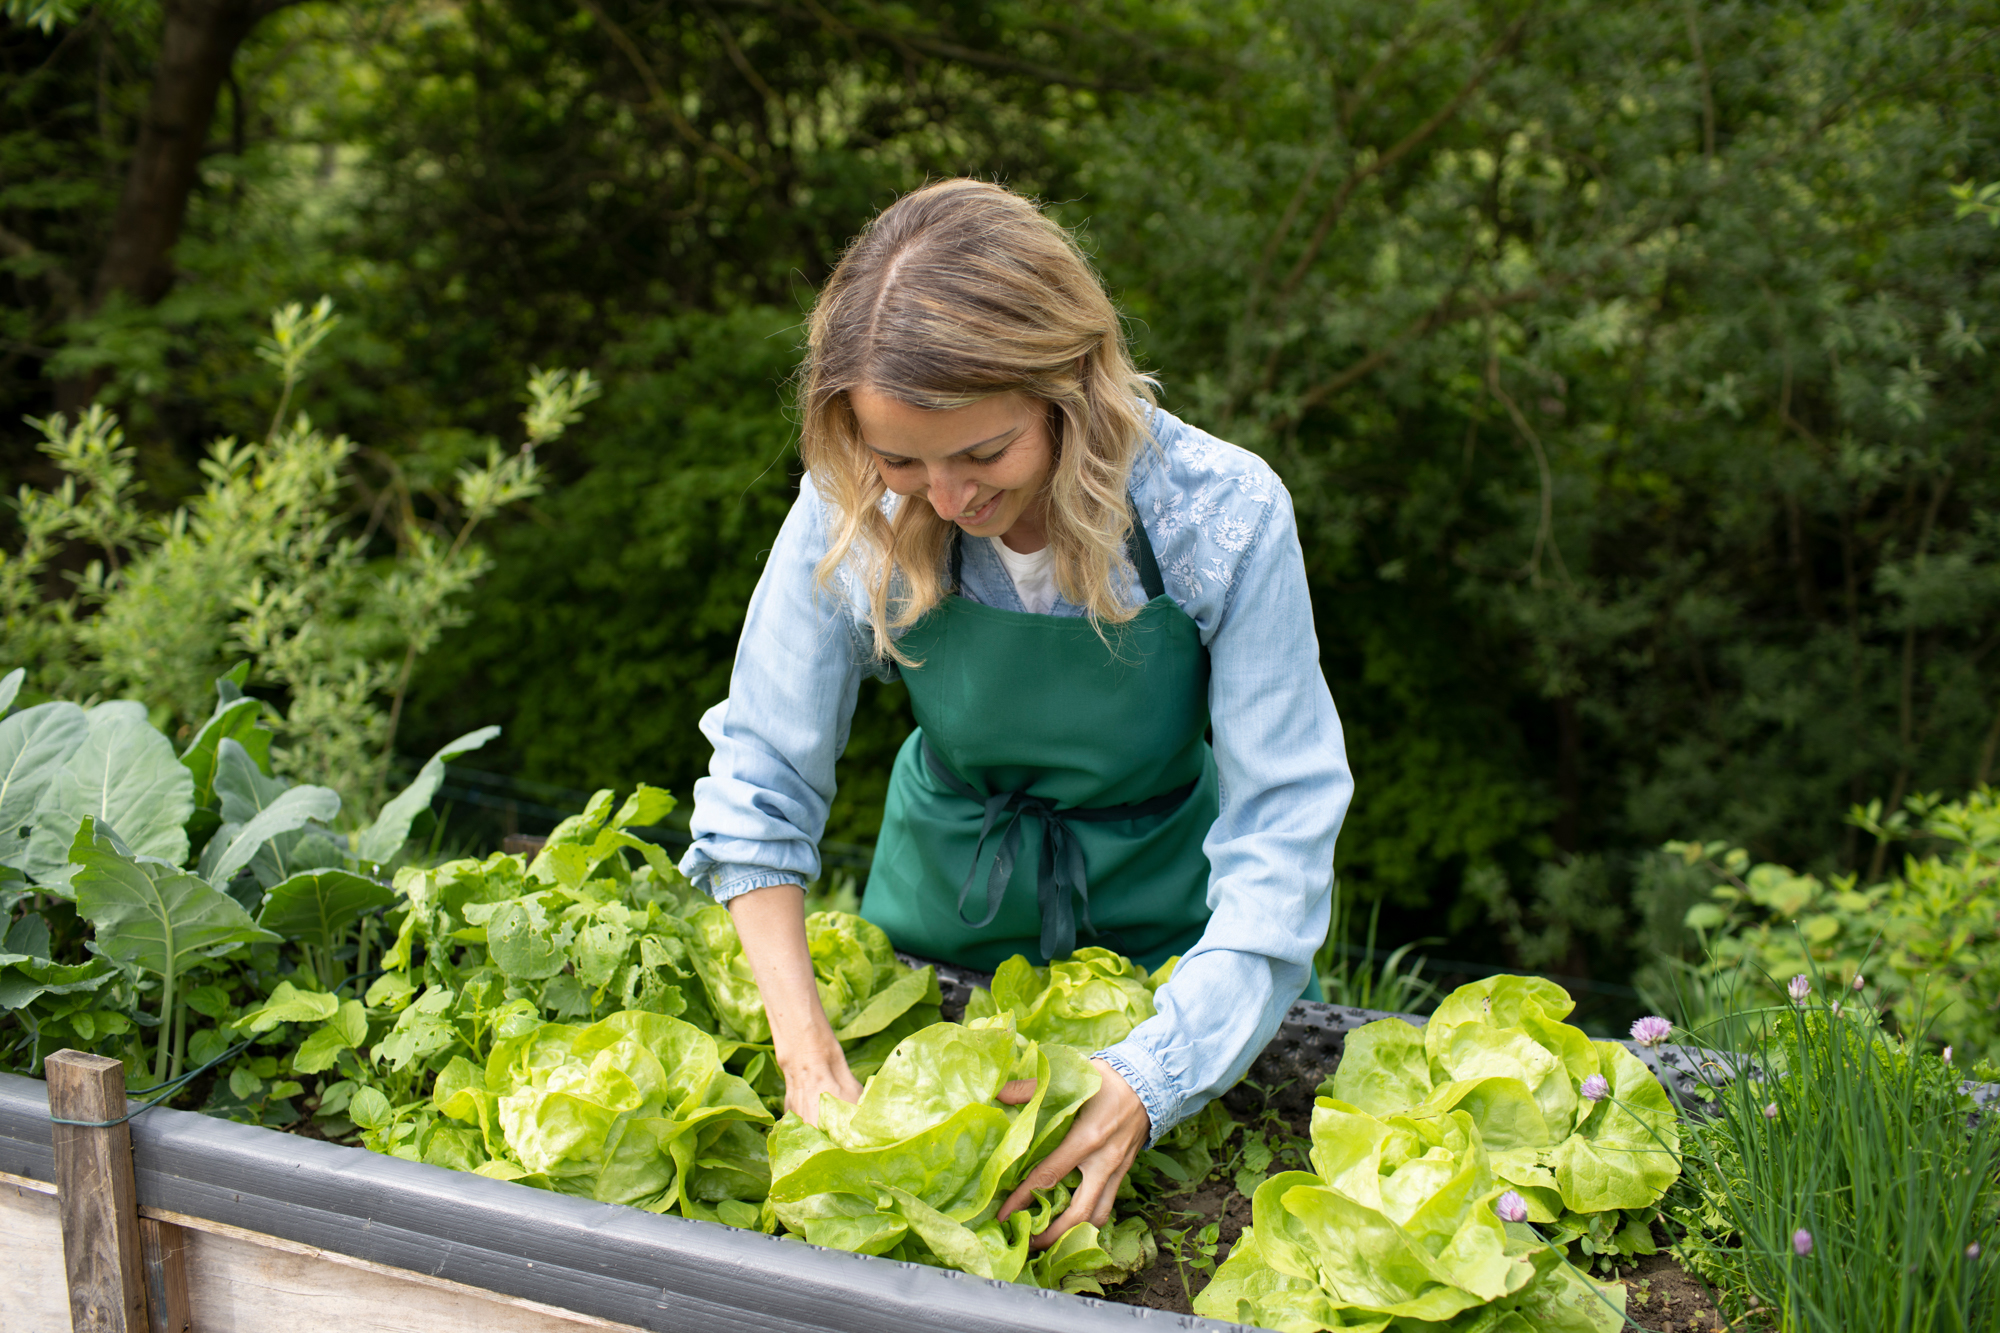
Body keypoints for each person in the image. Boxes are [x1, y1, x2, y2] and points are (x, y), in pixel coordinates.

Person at [679, 178, 1353, 1250]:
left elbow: (1282, 835)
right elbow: (760, 776)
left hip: (1177, 934)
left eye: (981, 454)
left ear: (1068, 391)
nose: (943, 498)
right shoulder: (853, 499)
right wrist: (807, 1053)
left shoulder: (1219, 514)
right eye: (902, 460)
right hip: (939, 903)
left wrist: (1151, 1072)